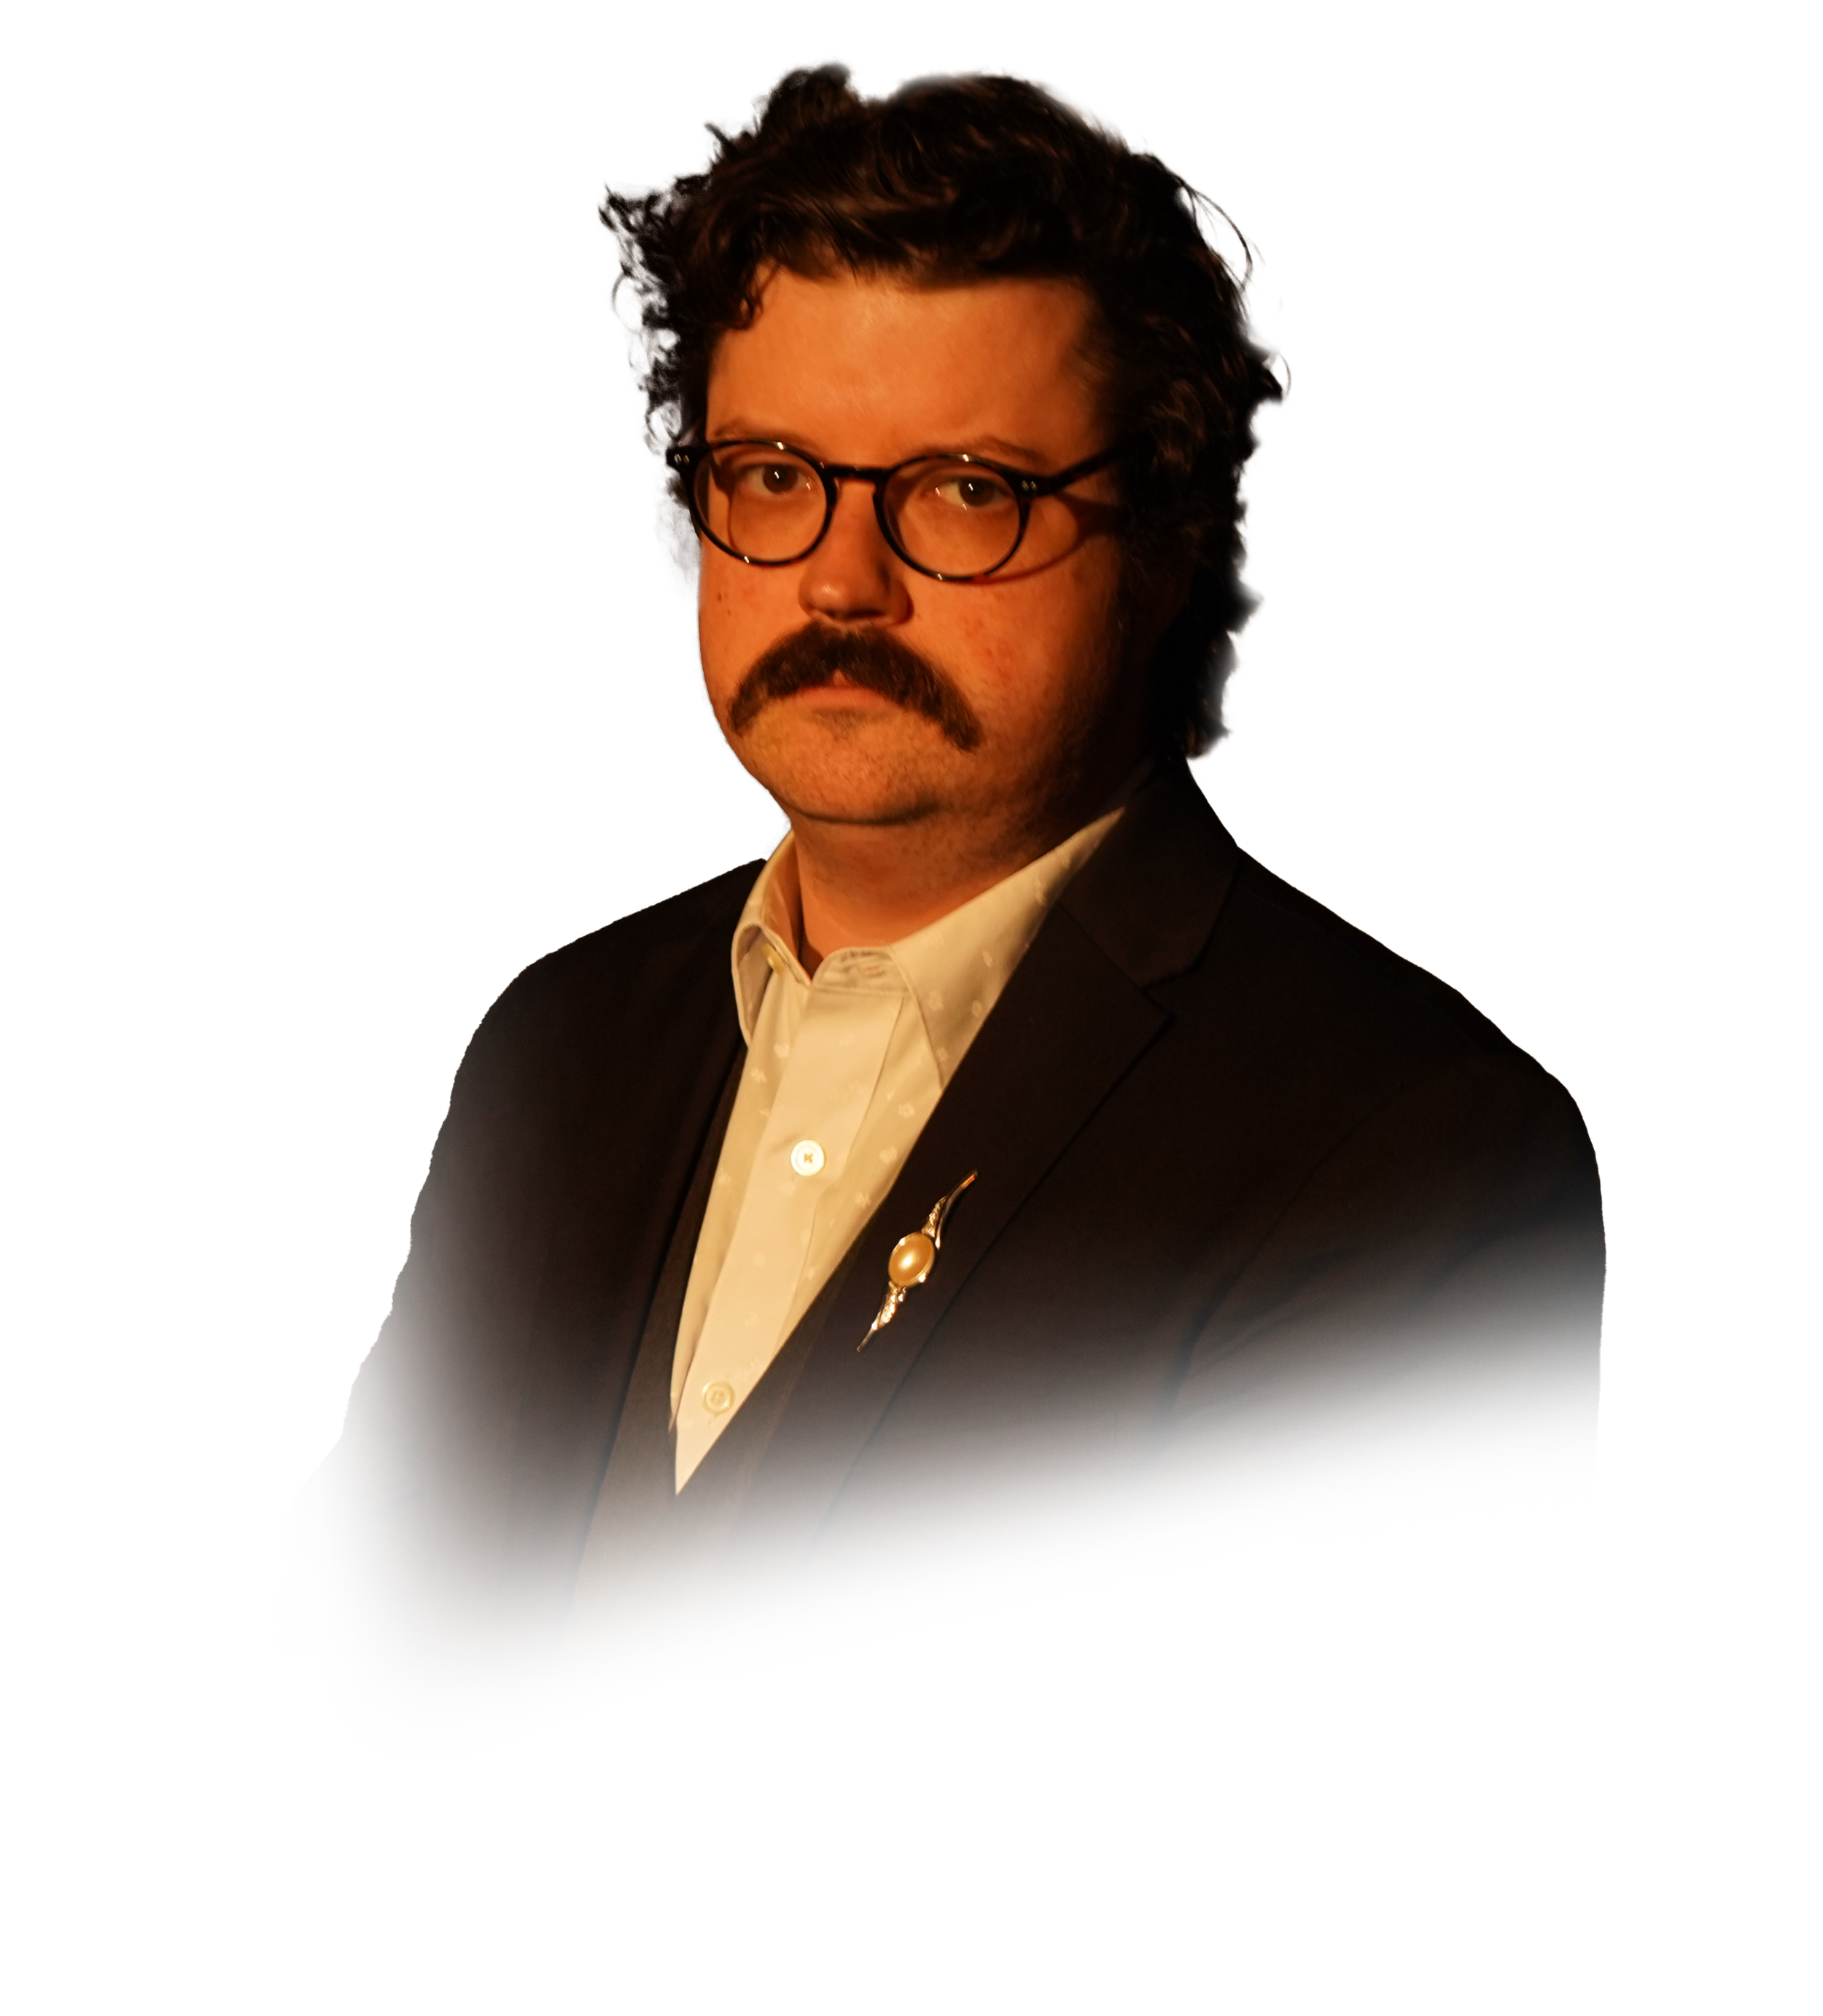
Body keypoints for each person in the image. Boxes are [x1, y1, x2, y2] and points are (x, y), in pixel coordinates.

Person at [275, 56, 1605, 1772]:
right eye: (773, 474)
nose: (839, 578)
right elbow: (362, 1658)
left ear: (1164, 545)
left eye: (966, 488)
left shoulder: (1403, 1157)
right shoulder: (555, 1043)